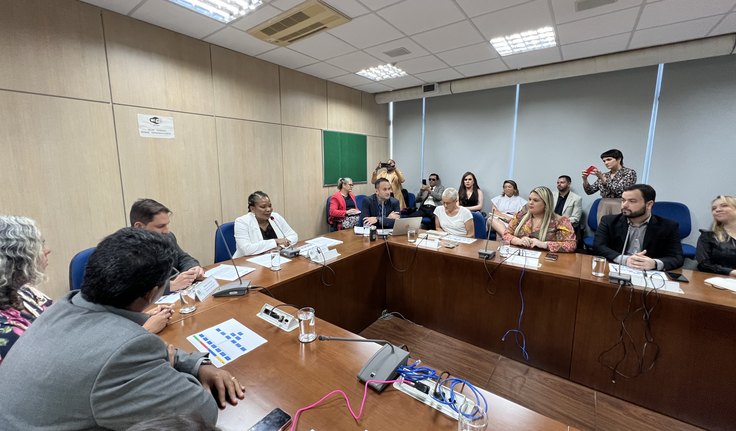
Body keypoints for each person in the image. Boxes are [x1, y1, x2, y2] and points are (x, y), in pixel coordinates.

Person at [0, 228, 245, 430]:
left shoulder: (66, 305)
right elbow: (200, 414)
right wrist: (173, 370)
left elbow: (130, 346)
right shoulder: (124, 351)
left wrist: (197, 364)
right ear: (152, 293)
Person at [594, 184, 684, 271]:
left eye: (632, 201)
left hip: (649, 274)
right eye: (623, 200)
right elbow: (599, 247)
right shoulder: (609, 221)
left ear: (649, 204)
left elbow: (677, 257)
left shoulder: (668, 226)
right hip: (617, 268)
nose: (624, 205)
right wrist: (625, 260)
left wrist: (654, 263)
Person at [0, 216, 52, 364]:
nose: (47, 250)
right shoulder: (6, 335)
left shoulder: (27, 291)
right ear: (16, 258)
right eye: (40, 245)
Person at [130, 198, 205, 292]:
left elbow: (183, 258)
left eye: (166, 225)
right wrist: (170, 286)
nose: (167, 231)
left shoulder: (167, 237)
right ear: (139, 227)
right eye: (160, 226)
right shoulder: (124, 250)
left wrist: (192, 269)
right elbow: (131, 289)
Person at [502, 186, 576, 252]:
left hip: (544, 261)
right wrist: (518, 241)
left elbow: (571, 244)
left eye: (535, 200)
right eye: (529, 199)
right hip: (519, 255)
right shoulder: (519, 216)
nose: (530, 203)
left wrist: (545, 244)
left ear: (546, 204)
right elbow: (506, 234)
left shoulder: (561, 221)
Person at [233, 191, 298, 257]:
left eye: (270, 206)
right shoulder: (242, 222)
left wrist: (280, 246)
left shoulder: (275, 217)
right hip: (247, 262)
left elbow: (293, 236)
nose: (268, 209)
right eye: (263, 207)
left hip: (276, 257)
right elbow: (246, 249)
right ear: (252, 209)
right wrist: (275, 242)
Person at [582, 149, 637, 223]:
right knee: (603, 230)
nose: (606, 163)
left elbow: (620, 190)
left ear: (619, 159)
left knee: (619, 229)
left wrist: (602, 178)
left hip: (620, 204)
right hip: (604, 204)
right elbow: (590, 191)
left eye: (609, 159)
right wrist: (585, 179)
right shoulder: (605, 175)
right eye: (604, 161)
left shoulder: (629, 173)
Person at [696, 195, 736, 276]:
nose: (717, 210)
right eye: (714, 208)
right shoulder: (707, 236)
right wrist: (730, 272)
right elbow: (704, 264)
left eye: (724, 206)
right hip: (718, 280)